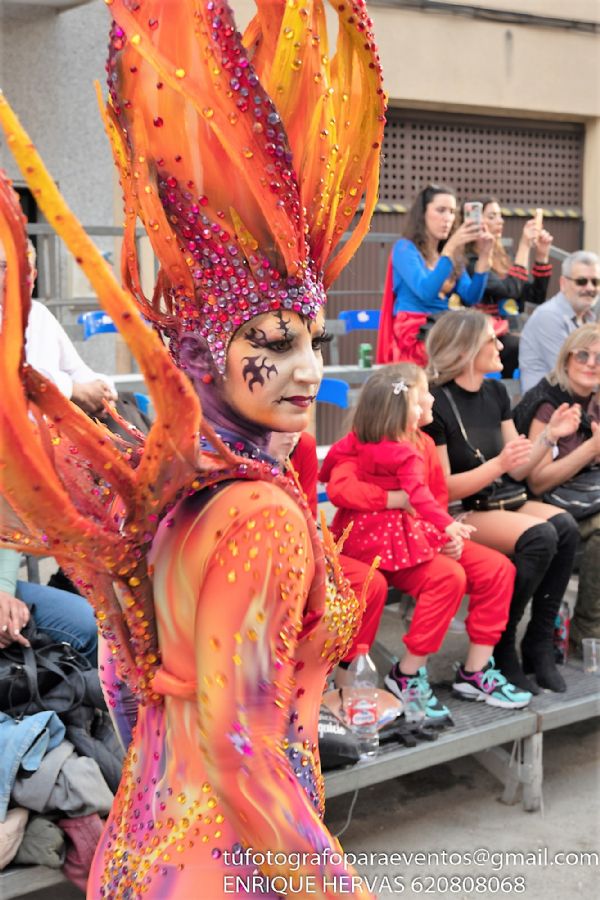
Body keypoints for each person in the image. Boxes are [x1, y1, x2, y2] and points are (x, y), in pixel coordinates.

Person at [0, 1, 387, 897]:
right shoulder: (259, 519)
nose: (308, 369)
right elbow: (243, 755)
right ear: (207, 347)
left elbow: (125, 682)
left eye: (315, 340)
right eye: (276, 339)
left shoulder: (167, 494)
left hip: (142, 852)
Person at [320, 363, 531, 713]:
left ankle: (475, 671)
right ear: (402, 409)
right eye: (424, 394)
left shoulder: (426, 443)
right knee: (447, 578)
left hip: (415, 543)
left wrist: (445, 536)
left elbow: (435, 500)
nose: (432, 398)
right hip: (367, 548)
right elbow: (341, 488)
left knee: (497, 569)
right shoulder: (361, 443)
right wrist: (393, 499)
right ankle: (405, 675)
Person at [423, 309, 581, 694]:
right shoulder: (435, 402)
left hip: (503, 497)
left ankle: (538, 641)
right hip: (463, 509)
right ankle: (501, 643)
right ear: (466, 349)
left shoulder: (495, 391)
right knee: (541, 536)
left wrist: (549, 438)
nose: (500, 346)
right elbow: (441, 488)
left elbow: (520, 469)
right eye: (491, 340)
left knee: (566, 527)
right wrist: (497, 465)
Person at [269, 430, 390, 686]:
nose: (293, 430)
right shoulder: (227, 447)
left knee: (370, 584)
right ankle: (293, 682)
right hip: (258, 560)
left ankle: (347, 677)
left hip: (300, 549)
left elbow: (309, 511)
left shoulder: (302, 444)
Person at [513, 324, 600, 655]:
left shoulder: (594, 397)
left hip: (584, 494)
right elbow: (536, 480)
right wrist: (591, 449)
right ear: (566, 360)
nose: (591, 363)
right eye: (583, 354)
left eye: (599, 357)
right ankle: (586, 632)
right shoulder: (548, 401)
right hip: (540, 501)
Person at [376, 184, 493, 367]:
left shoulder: (449, 253)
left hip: (442, 328)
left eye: (452, 211)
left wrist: (485, 256)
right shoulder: (404, 248)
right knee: (463, 351)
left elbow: (471, 297)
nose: (448, 218)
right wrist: (450, 249)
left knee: (490, 340)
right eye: (441, 210)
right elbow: (426, 291)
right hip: (414, 333)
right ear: (423, 214)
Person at [465, 198, 554, 377]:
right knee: (524, 346)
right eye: (492, 216)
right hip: (482, 336)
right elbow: (510, 290)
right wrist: (524, 246)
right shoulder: (470, 261)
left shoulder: (504, 257)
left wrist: (541, 255)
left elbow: (535, 296)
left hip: (508, 333)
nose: (500, 221)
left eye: (500, 216)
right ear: (475, 222)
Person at [519, 250, 600, 393]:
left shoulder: (588, 317)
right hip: (547, 406)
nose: (590, 288)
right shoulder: (549, 316)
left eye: (595, 282)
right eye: (581, 281)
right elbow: (570, 373)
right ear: (563, 283)